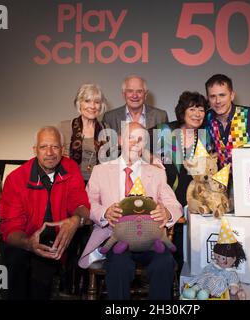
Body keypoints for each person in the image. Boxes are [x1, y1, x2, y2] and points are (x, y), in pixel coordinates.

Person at [79, 122, 183, 300]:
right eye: (130, 137)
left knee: (164, 262)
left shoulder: (156, 173)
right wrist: (105, 213)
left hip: (150, 238)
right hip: (113, 238)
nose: (135, 143)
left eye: (140, 139)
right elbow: (88, 204)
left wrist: (167, 213)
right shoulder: (100, 171)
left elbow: (174, 205)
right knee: (119, 265)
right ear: (120, 140)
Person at [0, 126, 91, 300]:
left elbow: (80, 203)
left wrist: (76, 219)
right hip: (22, 240)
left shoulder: (70, 168)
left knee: (40, 289)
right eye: (43, 147)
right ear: (35, 150)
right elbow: (11, 227)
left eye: (55, 147)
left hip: (51, 242)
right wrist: (28, 244)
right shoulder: (16, 178)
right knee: (14, 278)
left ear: (62, 149)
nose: (50, 152)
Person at [149, 91, 209, 275]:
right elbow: (137, 143)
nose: (197, 114)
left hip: (193, 200)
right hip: (166, 199)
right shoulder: (165, 131)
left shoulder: (206, 136)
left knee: (190, 249)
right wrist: (150, 157)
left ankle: (185, 282)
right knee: (166, 251)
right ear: (182, 111)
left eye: (201, 109)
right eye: (192, 109)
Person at [58, 84, 109, 295]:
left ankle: (89, 284)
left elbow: (109, 162)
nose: (92, 106)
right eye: (87, 101)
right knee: (71, 236)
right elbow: (57, 160)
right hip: (70, 188)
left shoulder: (106, 130)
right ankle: (68, 284)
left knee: (92, 237)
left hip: (96, 189)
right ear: (79, 103)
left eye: (96, 101)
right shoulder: (65, 127)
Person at [102, 75, 168, 135]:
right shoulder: (109, 118)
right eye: (130, 91)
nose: (135, 96)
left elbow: (166, 146)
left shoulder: (160, 116)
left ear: (145, 94)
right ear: (123, 94)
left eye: (139, 91)